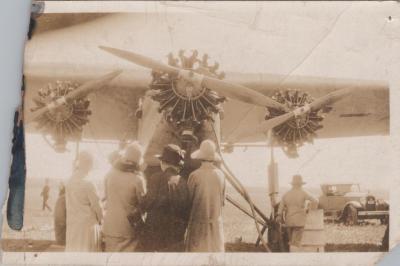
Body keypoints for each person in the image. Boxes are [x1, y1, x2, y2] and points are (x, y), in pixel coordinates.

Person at [139, 144, 189, 252]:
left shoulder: (155, 178)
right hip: (176, 236)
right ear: (177, 165)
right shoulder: (183, 183)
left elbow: (147, 203)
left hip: (155, 235)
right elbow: (186, 211)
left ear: (163, 163)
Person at [102, 142, 146, 252]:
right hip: (128, 229)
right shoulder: (138, 179)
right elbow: (143, 203)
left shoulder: (110, 174)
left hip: (110, 227)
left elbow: (106, 196)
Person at [185, 139, 226, 252]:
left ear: (200, 156)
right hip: (215, 227)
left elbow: (188, 201)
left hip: (198, 226)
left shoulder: (194, 175)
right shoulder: (221, 175)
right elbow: (222, 201)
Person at [65, 151, 103, 252]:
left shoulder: (69, 181)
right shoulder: (89, 183)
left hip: (73, 225)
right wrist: (101, 220)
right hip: (87, 227)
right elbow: (97, 207)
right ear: (89, 164)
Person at [277, 174, 318, 251]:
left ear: (292, 184)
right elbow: (315, 201)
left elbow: (280, 208)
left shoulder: (286, 194)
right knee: (295, 243)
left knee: (291, 242)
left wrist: (279, 215)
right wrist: (309, 209)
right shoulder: (303, 192)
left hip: (289, 221)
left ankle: (291, 256)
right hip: (299, 221)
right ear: (300, 184)